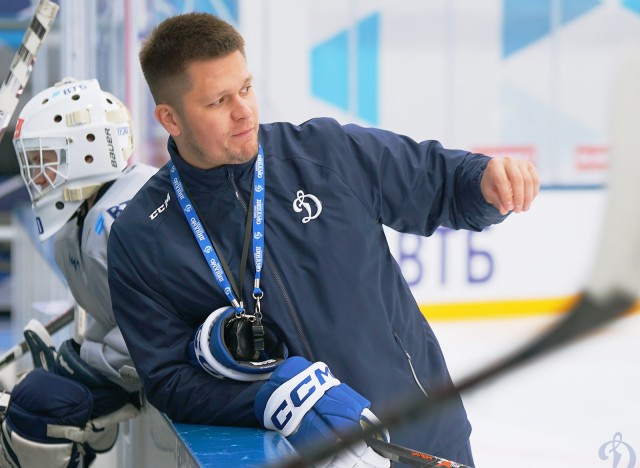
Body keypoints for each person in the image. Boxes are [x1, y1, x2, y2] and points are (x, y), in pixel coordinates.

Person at [107, 12, 539, 468]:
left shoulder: (323, 153)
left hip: (427, 441)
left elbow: (440, 181)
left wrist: (486, 181)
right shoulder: (142, 236)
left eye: (247, 89)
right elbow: (170, 381)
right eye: (218, 101)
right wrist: (269, 401)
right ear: (170, 119)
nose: (244, 111)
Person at [1, 78, 157, 467]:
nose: (37, 176)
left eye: (45, 159)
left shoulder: (126, 217)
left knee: (37, 419)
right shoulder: (77, 226)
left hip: (182, 376)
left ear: (89, 152)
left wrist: (86, 358)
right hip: (135, 368)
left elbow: (154, 338)